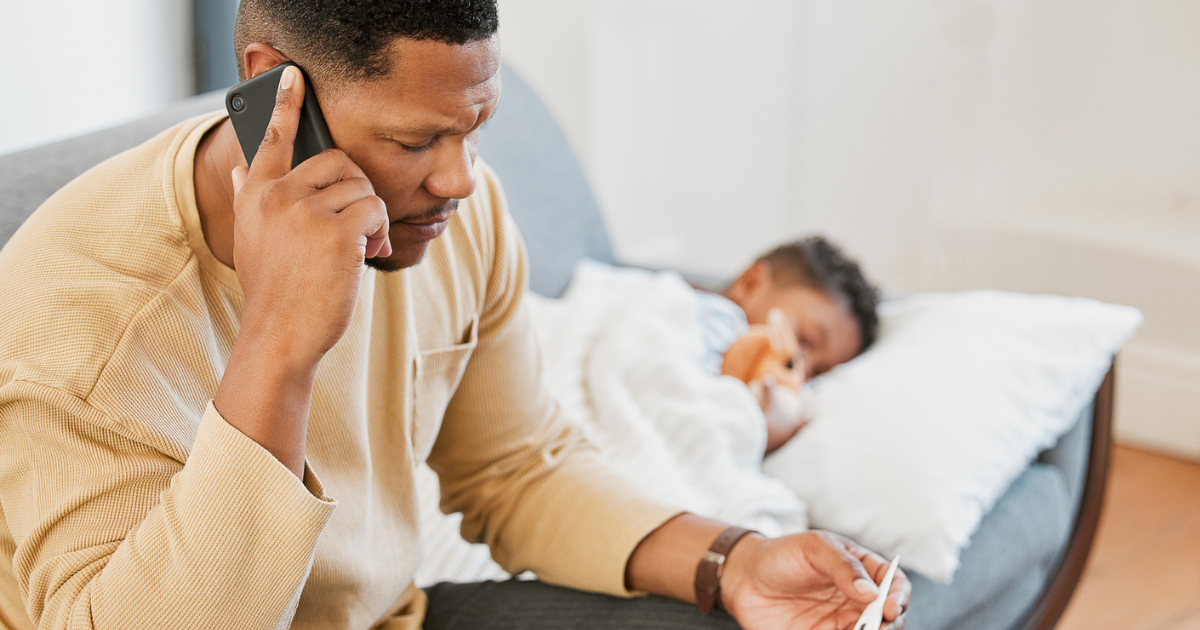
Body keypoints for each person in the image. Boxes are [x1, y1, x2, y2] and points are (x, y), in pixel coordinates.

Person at [0, 2, 909, 629]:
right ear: (277, 89)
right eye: (414, 140)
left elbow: (518, 467)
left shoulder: (449, 219)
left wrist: (733, 561)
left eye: (474, 128)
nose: (460, 179)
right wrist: (278, 347)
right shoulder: (74, 314)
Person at [706, 236, 881, 453]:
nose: (801, 368)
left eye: (815, 374)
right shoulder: (692, 319)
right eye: (804, 340)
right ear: (750, 285)